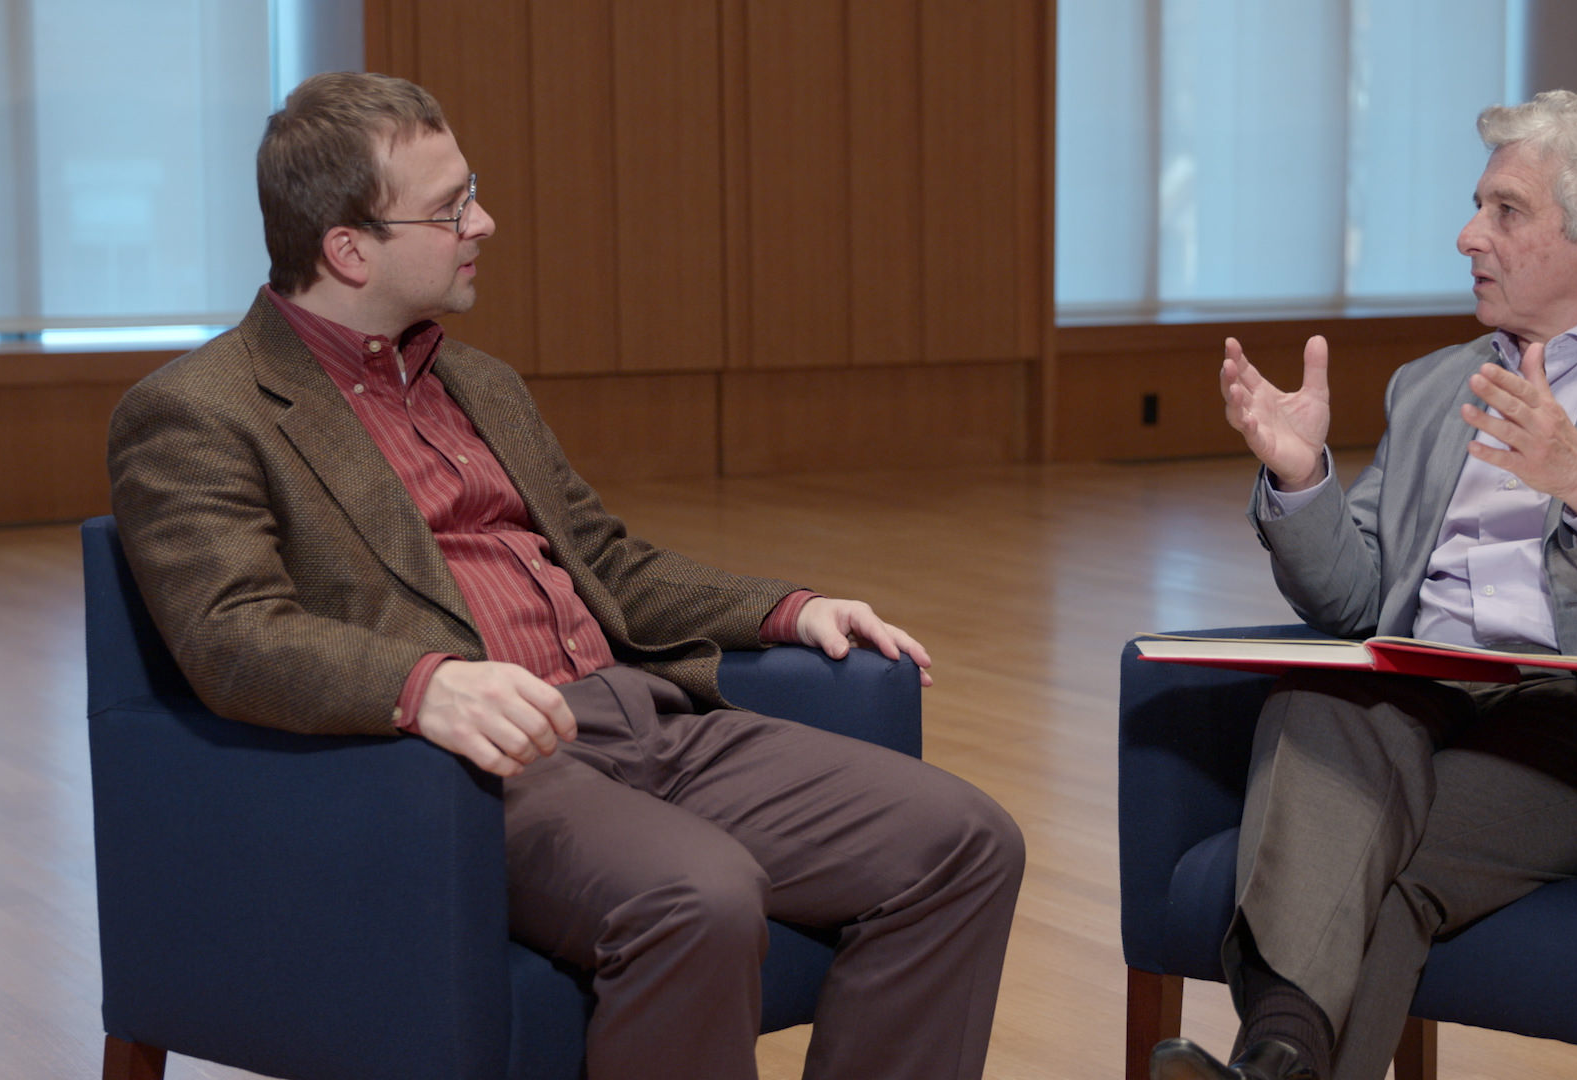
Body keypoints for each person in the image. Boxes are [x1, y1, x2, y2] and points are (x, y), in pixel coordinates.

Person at [106, 71, 1024, 1080]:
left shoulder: (478, 381)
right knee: (698, 895)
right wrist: (425, 685)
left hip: (648, 721)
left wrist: (786, 610)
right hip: (474, 772)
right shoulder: (201, 411)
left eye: (475, 190)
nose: (484, 222)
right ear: (347, 248)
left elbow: (610, 565)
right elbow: (230, 634)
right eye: (451, 206)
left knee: (963, 840)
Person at [1149, 90, 1577, 1080]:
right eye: (1476, 206)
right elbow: (1351, 601)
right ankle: (1278, 1064)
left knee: (1373, 864)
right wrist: (1301, 478)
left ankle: (1273, 1053)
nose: (1467, 236)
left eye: (1504, 211)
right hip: (1412, 689)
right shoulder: (1431, 383)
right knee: (1314, 701)